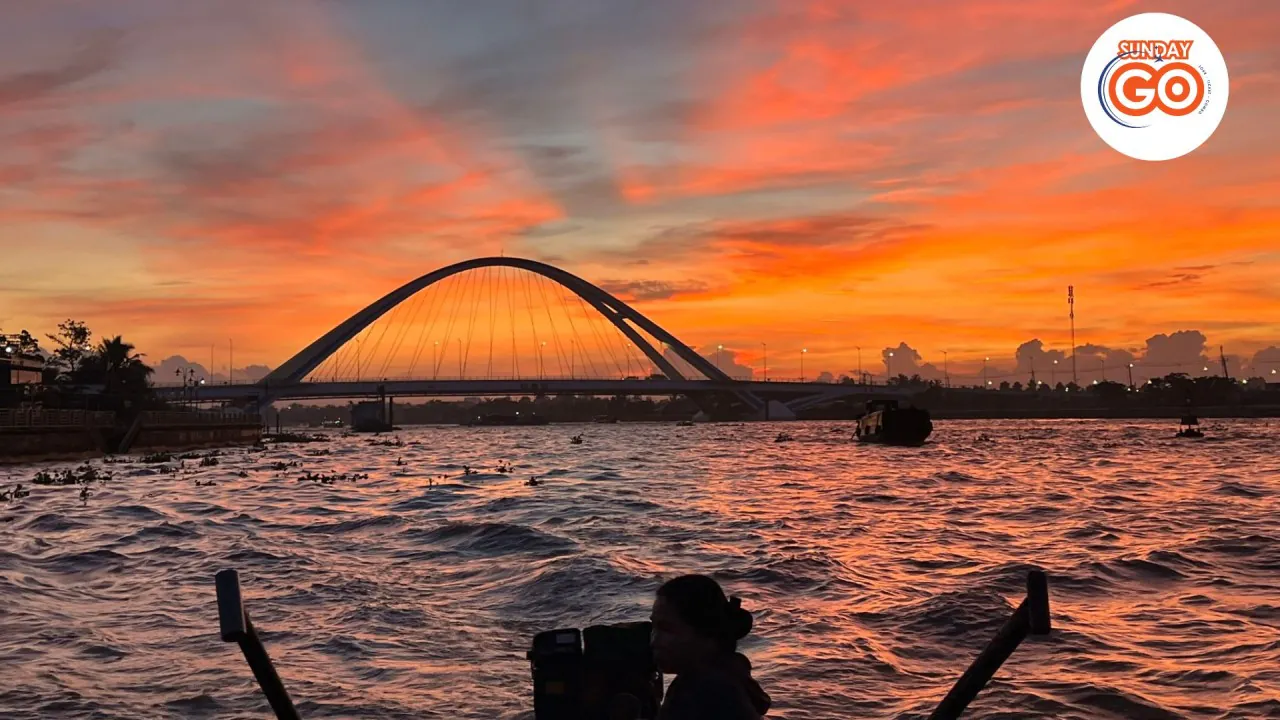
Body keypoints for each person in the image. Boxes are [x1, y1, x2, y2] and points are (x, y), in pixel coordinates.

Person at [650, 574, 771, 719]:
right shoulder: (730, 674)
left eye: (667, 629)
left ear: (706, 633)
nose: (654, 641)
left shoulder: (700, 690)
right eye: (653, 627)